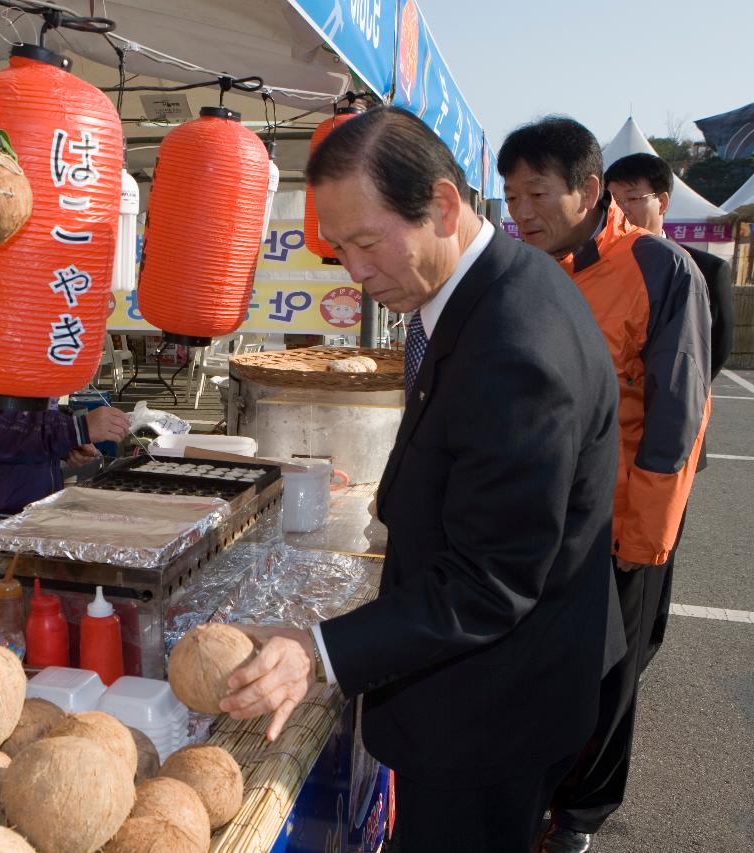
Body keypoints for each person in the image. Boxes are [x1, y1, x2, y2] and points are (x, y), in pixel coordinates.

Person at [220, 107, 621, 853]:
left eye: (369, 242)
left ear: (441, 203)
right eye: (339, 249)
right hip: (489, 678)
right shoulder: (481, 290)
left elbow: (490, 581)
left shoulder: (515, 343)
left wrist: (317, 651)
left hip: (494, 708)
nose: (358, 273)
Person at [499, 118, 711, 853]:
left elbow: (677, 417)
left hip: (624, 522)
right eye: (509, 193)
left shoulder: (659, 268)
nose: (518, 210)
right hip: (543, 519)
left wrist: (645, 538)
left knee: (610, 677)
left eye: (535, 192)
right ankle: (536, 796)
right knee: (544, 668)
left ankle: (581, 815)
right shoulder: (526, 267)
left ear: (589, 192)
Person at [605, 151, 733, 664]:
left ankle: (645, 645)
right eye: (612, 200)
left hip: (669, 442)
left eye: (632, 199)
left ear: (662, 200)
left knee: (655, 554)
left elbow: (707, 361)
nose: (622, 210)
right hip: (613, 454)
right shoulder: (601, 266)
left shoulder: (699, 269)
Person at [0, 327, 129, 519]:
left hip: (23, 506)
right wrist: (75, 430)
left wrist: (64, 444)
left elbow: (25, 410)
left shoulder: (5, 329)